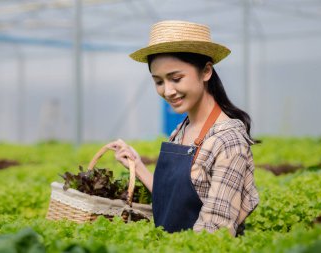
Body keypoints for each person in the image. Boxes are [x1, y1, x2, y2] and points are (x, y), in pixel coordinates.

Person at [106, 20, 259, 236]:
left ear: (206, 72)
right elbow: (172, 199)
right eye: (158, 81)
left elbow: (214, 232)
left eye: (176, 78)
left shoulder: (228, 140)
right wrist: (137, 165)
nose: (168, 91)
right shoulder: (181, 130)